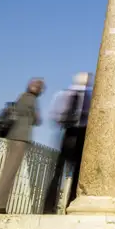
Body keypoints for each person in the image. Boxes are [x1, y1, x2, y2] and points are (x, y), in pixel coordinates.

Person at [0, 78, 44, 214]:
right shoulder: (30, 99)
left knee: (8, 172)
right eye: (39, 86)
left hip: (14, 137)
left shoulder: (22, 97)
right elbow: (37, 120)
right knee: (9, 173)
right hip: (19, 139)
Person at [42, 72, 92, 214]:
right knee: (60, 172)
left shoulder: (87, 97)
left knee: (75, 173)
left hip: (80, 134)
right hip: (70, 132)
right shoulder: (67, 95)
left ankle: (70, 205)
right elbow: (55, 113)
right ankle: (50, 206)